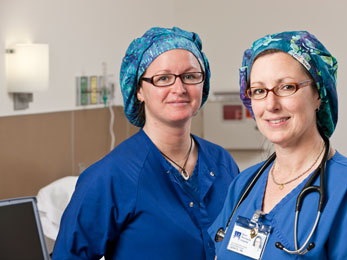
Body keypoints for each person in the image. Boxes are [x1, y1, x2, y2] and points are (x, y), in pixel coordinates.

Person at [52, 26, 239, 260]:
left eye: (190, 76)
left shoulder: (222, 163)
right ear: (139, 90)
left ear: (204, 83)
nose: (179, 88)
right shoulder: (110, 176)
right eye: (163, 78)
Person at [208, 31, 347, 259]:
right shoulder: (244, 185)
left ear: (318, 94)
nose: (271, 104)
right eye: (259, 90)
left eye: (286, 87)